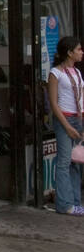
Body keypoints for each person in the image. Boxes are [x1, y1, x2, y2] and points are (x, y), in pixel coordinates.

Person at [47, 36, 84, 216]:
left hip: (77, 119)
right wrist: (67, 126)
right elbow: (54, 104)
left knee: (76, 161)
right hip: (64, 120)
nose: (81, 52)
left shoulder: (77, 72)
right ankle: (64, 204)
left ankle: (75, 202)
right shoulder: (56, 73)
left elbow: (81, 99)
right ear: (69, 53)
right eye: (78, 49)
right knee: (63, 162)